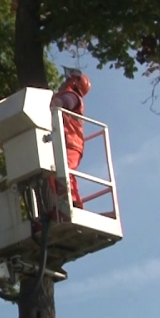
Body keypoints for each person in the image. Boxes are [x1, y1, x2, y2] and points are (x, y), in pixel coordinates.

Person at [47, 67, 91, 220]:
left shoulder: (71, 96)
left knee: (66, 173)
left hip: (70, 142)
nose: (63, 81)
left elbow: (58, 104)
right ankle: (61, 205)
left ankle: (73, 204)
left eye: (67, 79)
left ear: (74, 82)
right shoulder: (70, 95)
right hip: (65, 141)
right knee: (55, 174)